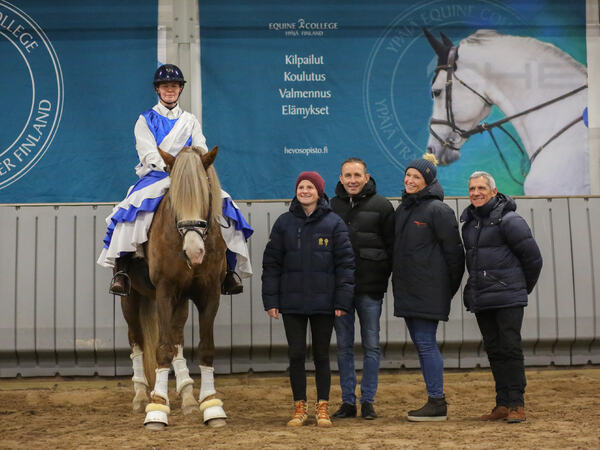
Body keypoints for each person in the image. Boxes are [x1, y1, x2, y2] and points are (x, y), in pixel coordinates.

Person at [97, 64, 252, 295]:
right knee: (129, 210)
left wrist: (190, 166)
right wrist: (171, 165)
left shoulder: (190, 120)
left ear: (180, 90)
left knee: (227, 205)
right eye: (165, 86)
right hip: (158, 175)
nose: (170, 90)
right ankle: (122, 270)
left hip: (190, 176)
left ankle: (228, 269)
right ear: (158, 90)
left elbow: (200, 146)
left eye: (174, 86)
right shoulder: (145, 119)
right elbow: (147, 152)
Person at [262, 171, 355, 427]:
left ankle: (322, 407)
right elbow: (271, 264)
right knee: (296, 354)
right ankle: (299, 407)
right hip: (291, 303)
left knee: (322, 355)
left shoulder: (334, 223)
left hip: (324, 303)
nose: (304, 191)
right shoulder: (283, 223)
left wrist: (341, 301)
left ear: (319, 192)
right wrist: (271, 300)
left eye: (310, 187)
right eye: (301, 186)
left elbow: (345, 265)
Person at [460, 171, 542, 423]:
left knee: (510, 349)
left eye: (481, 188)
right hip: (483, 298)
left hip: (508, 298)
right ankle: (502, 403)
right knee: (495, 351)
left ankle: (517, 403)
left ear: (494, 192)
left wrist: (518, 289)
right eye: (472, 188)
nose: (476, 193)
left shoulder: (510, 221)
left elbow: (533, 260)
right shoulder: (469, 225)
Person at [392, 154, 464, 422]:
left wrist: (446, 289)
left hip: (428, 291)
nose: (410, 180)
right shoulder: (404, 209)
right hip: (409, 290)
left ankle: (437, 401)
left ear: (427, 181)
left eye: (417, 177)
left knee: (425, 343)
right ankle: (435, 399)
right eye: (408, 175)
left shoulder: (438, 210)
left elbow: (455, 255)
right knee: (423, 344)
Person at [329, 158, 394, 420]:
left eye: (357, 175)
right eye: (348, 175)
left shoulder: (383, 206)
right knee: (343, 346)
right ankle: (347, 402)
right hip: (341, 292)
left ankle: (368, 401)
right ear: (341, 178)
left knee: (371, 346)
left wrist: (381, 277)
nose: (353, 180)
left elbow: (391, 249)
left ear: (367, 177)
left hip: (370, 290)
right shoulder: (331, 207)